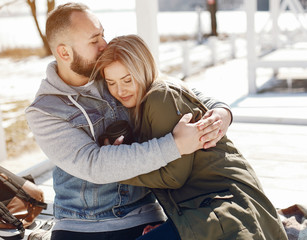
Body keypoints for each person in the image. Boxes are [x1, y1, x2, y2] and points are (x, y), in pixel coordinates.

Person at [25, 3, 233, 240]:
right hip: (80, 225)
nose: (104, 44)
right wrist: (176, 145)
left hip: (143, 214)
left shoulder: (113, 71)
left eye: (102, 34)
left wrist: (222, 112)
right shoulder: (44, 111)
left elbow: (172, 89)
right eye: (94, 41)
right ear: (64, 53)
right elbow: (93, 164)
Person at [93, 34, 288, 240]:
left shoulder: (160, 97)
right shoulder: (144, 101)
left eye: (127, 79)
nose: (120, 90)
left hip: (226, 205)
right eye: (111, 82)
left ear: (143, 70)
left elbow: (173, 177)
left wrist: (115, 166)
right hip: (201, 206)